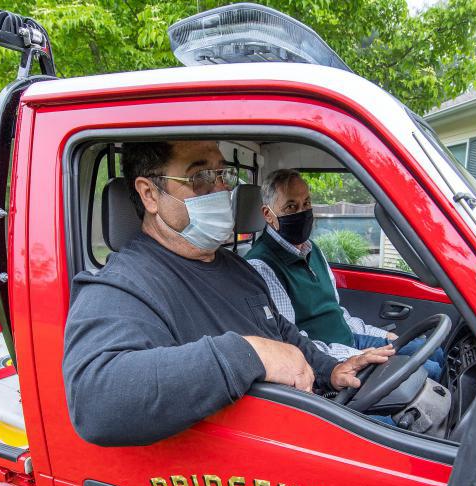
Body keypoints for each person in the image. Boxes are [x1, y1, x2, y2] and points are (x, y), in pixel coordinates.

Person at [62, 141, 393, 446]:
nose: (221, 188)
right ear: (150, 194)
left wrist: (331, 370)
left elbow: (282, 332)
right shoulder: (125, 284)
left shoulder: (236, 267)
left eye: (223, 174)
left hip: (301, 428)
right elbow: (95, 401)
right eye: (202, 176)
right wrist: (250, 354)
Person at [244, 169, 444, 380]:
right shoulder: (262, 266)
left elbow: (338, 313)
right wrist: (355, 356)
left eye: (307, 203)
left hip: (352, 341)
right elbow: (292, 342)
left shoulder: (312, 250)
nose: (302, 212)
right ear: (268, 215)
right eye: (291, 206)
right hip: (331, 360)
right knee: (429, 372)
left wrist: (383, 335)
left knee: (431, 350)